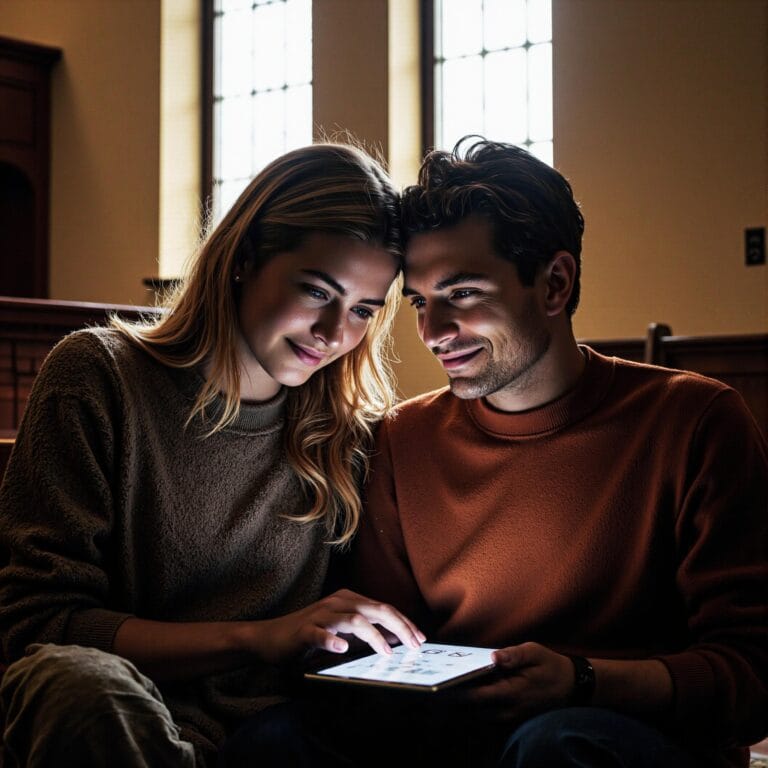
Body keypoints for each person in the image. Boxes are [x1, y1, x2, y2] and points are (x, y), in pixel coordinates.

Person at [0, 142, 425, 767]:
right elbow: (40, 626)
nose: (335, 334)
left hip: (276, 734)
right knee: (83, 689)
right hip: (114, 722)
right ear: (245, 259)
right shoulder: (98, 377)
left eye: (362, 310)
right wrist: (257, 639)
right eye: (314, 291)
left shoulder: (346, 435)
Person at [347, 137, 768, 768]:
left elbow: (754, 675)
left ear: (554, 283)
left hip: (619, 737)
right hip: (460, 735)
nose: (433, 334)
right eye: (420, 303)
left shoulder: (695, 420)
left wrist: (584, 680)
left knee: (556, 745)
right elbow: (387, 655)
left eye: (462, 294)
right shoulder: (400, 439)